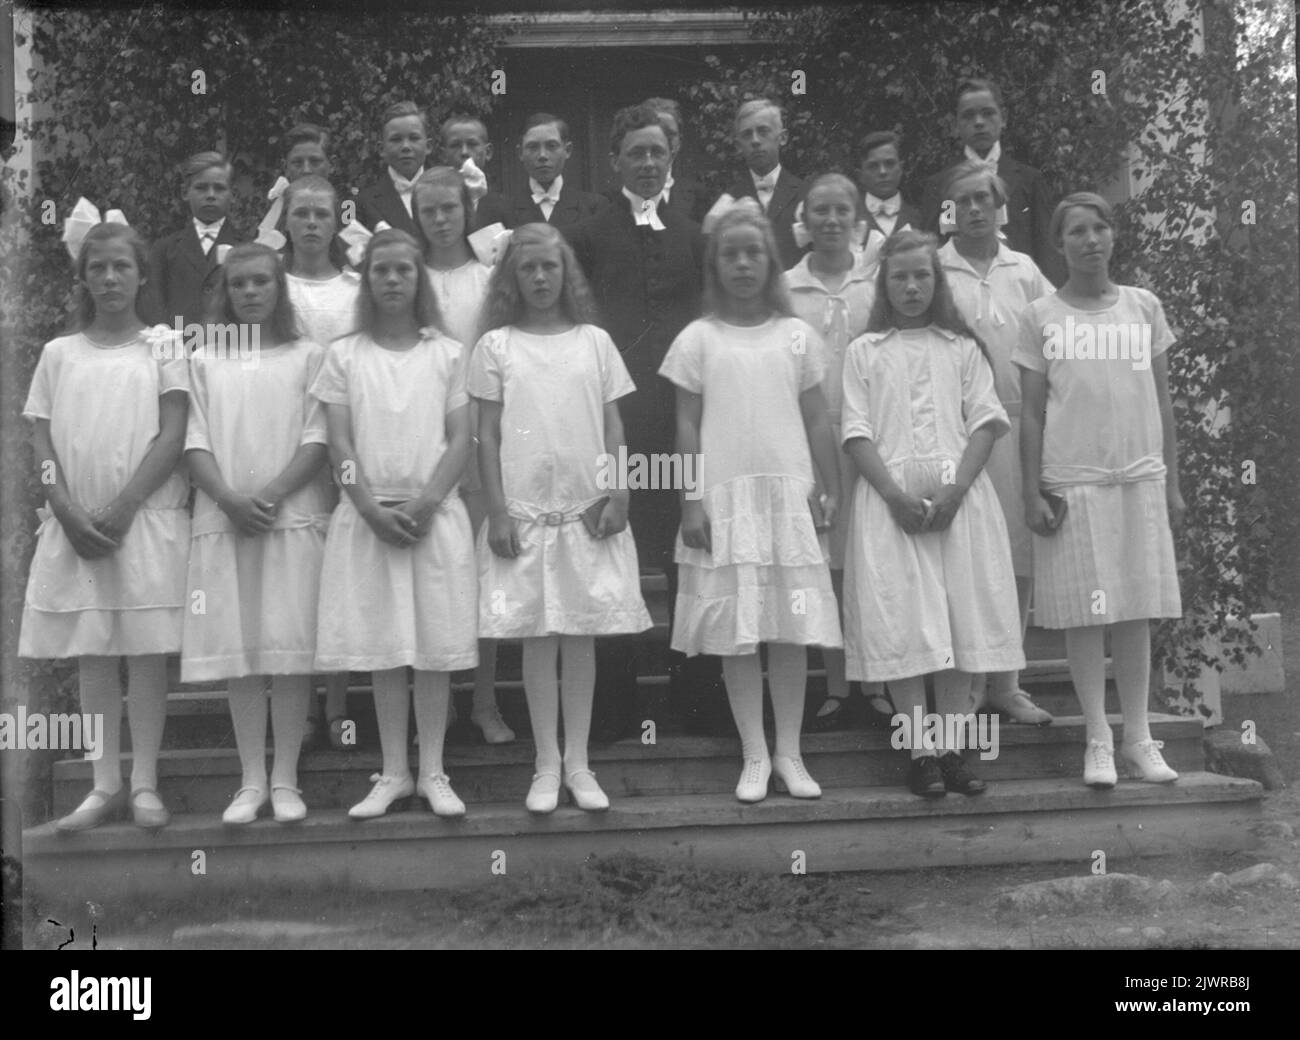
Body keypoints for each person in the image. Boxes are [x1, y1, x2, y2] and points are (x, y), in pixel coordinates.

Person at [661, 201, 843, 802]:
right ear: (716, 265)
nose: (742, 264)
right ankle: (755, 754)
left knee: (788, 629)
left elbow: (816, 419)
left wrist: (829, 485)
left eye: (753, 254)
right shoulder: (698, 339)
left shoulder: (796, 336)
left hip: (788, 494)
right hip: (725, 499)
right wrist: (691, 501)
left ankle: (790, 751)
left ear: (770, 262)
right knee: (738, 633)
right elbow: (686, 426)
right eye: (730, 255)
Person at [471, 222, 652, 812]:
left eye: (550, 266)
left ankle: (578, 762)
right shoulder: (495, 345)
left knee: (579, 637)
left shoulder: (594, 341)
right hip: (525, 511)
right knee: (537, 637)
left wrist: (619, 492)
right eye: (528, 268)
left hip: (586, 510)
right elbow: (486, 434)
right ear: (512, 277)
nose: (540, 277)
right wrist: (498, 511)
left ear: (566, 272)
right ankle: (545, 763)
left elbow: (613, 424)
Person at [841, 230, 1025, 797]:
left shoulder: (961, 348)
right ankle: (920, 752)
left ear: (937, 280)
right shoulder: (865, 351)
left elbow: (986, 422)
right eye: (899, 277)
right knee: (907, 625)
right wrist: (894, 495)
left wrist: (956, 490)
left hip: (957, 503)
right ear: (884, 284)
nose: (912, 286)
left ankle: (951, 748)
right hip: (890, 503)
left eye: (922, 275)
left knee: (957, 620)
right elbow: (856, 431)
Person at [21, 221, 189, 831]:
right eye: (98, 268)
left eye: (122, 266)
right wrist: (64, 507)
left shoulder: (165, 346)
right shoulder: (59, 354)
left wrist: (125, 505)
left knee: (143, 650)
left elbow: (173, 434)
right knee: (91, 649)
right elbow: (41, 442)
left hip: (140, 520)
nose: (110, 277)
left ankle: (143, 781)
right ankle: (103, 783)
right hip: (76, 522)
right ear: (84, 278)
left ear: (142, 275)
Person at [1014, 192, 1183, 788]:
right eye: (1076, 231)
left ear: (1113, 236)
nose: (1090, 240)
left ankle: (1138, 736)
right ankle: (1097, 738)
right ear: (1059, 245)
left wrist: (1173, 484)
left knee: (1134, 613)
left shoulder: (1143, 307)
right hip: (1074, 483)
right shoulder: (1040, 316)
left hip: (1138, 479)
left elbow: (1162, 401)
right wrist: (1031, 491)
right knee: (1087, 616)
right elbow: (1031, 413)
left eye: (1099, 228)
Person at [310, 229, 478, 819]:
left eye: (404, 270)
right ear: (367, 280)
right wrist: (369, 508)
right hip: (369, 518)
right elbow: (338, 442)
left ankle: (432, 771)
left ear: (418, 278)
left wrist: (428, 502)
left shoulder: (448, 354)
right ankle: (393, 772)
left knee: (432, 647)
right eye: (380, 270)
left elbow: (462, 438)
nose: (392, 280)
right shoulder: (344, 355)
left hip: (434, 518)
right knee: (385, 648)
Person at [563, 103, 716, 742]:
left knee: (689, 554)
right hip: (615, 425)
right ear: (615, 162)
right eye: (636, 153)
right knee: (613, 553)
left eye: (657, 152)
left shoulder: (694, 234)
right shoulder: (588, 235)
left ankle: (698, 699)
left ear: (671, 157)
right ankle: (612, 709)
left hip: (680, 423)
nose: (648, 163)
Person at [183, 244, 330, 824]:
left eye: (260, 282)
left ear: (278, 289)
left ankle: (286, 778)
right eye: (238, 283)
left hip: (288, 517)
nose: (249, 292)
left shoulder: (308, 356)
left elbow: (318, 437)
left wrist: (270, 496)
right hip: (226, 520)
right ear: (225, 291)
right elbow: (194, 439)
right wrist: (228, 499)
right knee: (241, 650)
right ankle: (250, 780)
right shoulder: (205, 359)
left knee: (288, 648)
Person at [939, 161, 1055, 726]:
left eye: (983, 198)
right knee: (965, 556)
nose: (974, 209)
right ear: (950, 210)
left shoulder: (1024, 270)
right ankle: (966, 687)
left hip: (1014, 426)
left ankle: (1007, 684)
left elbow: (1055, 334)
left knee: (1016, 555)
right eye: (962, 200)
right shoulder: (936, 268)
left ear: (998, 204)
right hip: (956, 433)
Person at [783, 173, 891, 731]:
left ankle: (876, 681)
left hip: (872, 436)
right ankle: (836, 683)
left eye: (841, 211)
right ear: (804, 220)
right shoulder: (786, 288)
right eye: (819, 210)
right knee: (825, 561)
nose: (830, 220)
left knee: (870, 556)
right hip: (809, 436)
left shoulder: (876, 284)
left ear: (857, 220)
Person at [412, 165, 514, 744]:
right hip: (420, 435)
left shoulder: (488, 278)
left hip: (480, 433)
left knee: (480, 569)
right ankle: (440, 699)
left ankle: (484, 699)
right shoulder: (410, 278)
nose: (441, 219)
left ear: (466, 210)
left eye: (449, 208)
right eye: (428, 211)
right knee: (433, 571)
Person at [280, 175, 360, 750]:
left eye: (321, 214)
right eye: (301, 213)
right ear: (285, 220)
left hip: (348, 440)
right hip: (289, 441)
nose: (311, 223)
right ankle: (302, 705)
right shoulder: (272, 284)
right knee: (299, 575)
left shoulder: (355, 288)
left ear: (337, 222)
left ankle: (338, 704)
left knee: (341, 571)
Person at [921, 78, 1065, 286]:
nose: (979, 122)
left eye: (988, 113)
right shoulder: (943, 185)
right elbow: (935, 244)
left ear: (1003, 118)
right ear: (956, 125)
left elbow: (1048, 250)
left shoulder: (1029, 181)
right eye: (968, 116)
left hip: (1021, 288)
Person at [146, 151, 245, 327]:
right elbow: (156, 306)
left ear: (233, 195)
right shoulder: (165, 249)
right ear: (185, 192)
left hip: (230, 340)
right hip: (179, 341)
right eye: (201, 188)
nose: (210, 195)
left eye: (219, 188)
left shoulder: (246, 247)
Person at [722, 99, 804, 270]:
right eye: (747, 134)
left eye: (763, 131)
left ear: (782, 138)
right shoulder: (727, 200)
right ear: (738, 145)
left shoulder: (806, 194)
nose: (755, 140)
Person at [504, 113, 607, 229]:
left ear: (567, 150)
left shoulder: (593, 207)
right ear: (520, 153)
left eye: (551, 146)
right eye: (533, 147)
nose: (542, 155)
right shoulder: (505, 210)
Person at [355, 101, 429, 239]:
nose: (406, 146)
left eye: (414, 138)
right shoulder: (358, 203)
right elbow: (346, 242)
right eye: (396, 139)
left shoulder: (452, 192)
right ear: (381, 149)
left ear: (428, 146)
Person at [641, 97, 711, 225]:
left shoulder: (698, 196)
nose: (663, 140)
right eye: (655, 132)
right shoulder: (616, 197)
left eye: (670, 134)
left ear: (679, 141)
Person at [440, 113, 510, 230]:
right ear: (443, 155)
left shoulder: (505, 206)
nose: (464, 152)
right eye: (455, 145)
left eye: (472, 144)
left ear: (488, 152)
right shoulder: (433, 202)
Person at [857, 131, 922, 241]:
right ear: (861, 174)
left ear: (901, 168)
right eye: (873, 166)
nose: (882, 172)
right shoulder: (851, 218)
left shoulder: (919, 218)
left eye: (889, 163)